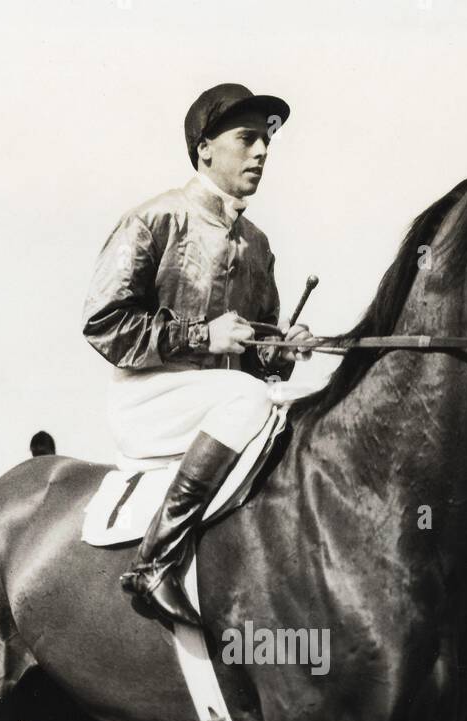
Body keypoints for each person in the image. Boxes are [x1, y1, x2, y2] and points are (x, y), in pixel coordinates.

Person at [81, 83, 311, 627]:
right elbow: (103, 324)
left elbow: (257, 360)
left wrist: (280, 349)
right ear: (205, 147)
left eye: (267, 144)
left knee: (301, 402)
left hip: (225, 401)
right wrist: (203, 337)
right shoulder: (154, 219)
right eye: (248, 140)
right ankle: (154, 563)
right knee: (249, 400)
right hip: (150, 396)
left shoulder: (257, 243)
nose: (262, 153)